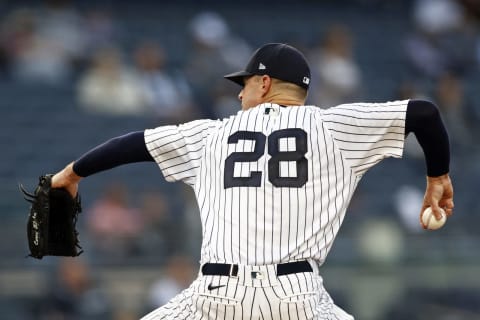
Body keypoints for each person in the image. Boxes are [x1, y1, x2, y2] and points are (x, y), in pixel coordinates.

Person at [50, 43, 454, 319]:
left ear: (263, 84)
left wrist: (73, 172)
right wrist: (437, 176)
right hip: (297, 298)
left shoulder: (210, 134)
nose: (239, 95)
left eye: (243, 85)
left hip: (215, 296)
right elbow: (424, 114)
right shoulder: (332, 127)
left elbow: (132, 144)